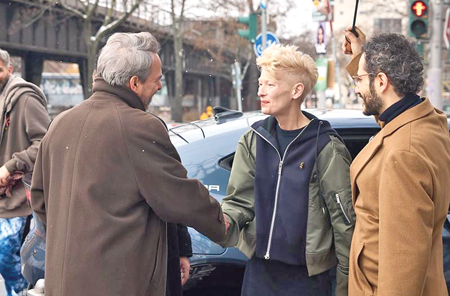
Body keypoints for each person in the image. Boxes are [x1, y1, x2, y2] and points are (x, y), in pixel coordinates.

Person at [30, 32, 226, 296]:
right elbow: (179, 196)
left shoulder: (60, 123)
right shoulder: (138, 127)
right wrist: (221, 224)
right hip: (120, 281)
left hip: (63, 282)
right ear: (134, 83)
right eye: (156, 80)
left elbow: (40, 200)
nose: (159, 87)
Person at [217, 44, 354, 296]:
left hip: (308, 279)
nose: (260, 91)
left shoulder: (324, 146)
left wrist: (346, 287)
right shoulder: (253, 139)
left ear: (296, 90)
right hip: (259, 274)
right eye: (260, 84)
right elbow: (239, 202)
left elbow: (344, 222)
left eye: (269, 84)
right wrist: (220, 220)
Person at [343, 28, 450, 296]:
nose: (356, 88)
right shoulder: (426, 122)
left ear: (381, 81)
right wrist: (361, 56)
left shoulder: (404, 155)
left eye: (359, 79)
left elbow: (404, 262)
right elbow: (389, 115)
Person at [0, 48, 50, 296]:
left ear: (9, 70)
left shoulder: (24, 98)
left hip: (19, 199)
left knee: (6, 256)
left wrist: (10, 166)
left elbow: (44, 143)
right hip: (4, 198)